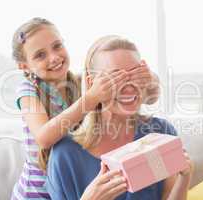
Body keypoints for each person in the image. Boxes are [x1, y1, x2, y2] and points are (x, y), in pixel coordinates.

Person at [11, 18, 160, 200]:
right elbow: (43, 137)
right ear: (24, 66)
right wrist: (91, 98)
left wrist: (145, 76)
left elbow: (152, 98)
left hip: (67, 187)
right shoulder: (28, 90)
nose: (54, 57)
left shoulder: (79, 83)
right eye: (40, 55)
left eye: (57, 46)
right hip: (36, 194)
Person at [46, 35, 193, 200]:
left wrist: (184, 178)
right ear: (92, 83)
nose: (129, 88)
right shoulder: (66, 154)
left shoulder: (161, 132)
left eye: (136, 75)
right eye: (115, 78)